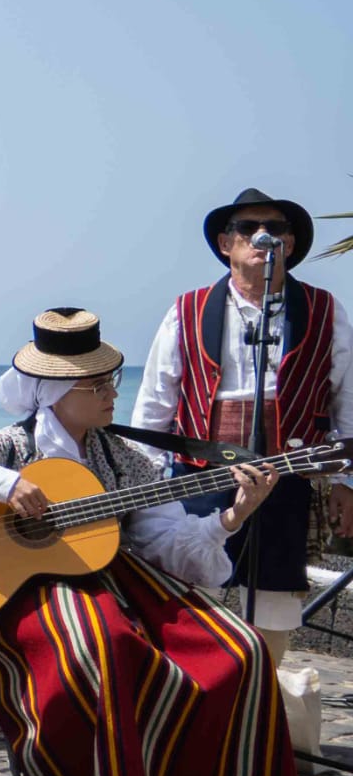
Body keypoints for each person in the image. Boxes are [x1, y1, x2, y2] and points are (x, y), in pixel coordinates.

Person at [0, 308, 302, 776]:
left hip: (119, 582)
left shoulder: (128, 460)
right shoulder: (6, 446)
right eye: (96, 383)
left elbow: (167, 545)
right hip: (22, 593)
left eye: (111, 379)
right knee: (100, 643)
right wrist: (2, 486)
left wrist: (235, 516)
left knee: (239, 648)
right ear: (51, 390)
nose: (112, 393)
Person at [131, 189, 353, 668]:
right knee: (194, 591)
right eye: (248, 228)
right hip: (199, 472)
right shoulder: (186, 310)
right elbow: (155, 402)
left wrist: (345, 481)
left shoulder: (324, 309)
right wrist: (143, 485)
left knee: (274, 599)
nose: (262, 236)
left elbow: (347, 401)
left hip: (288, 474)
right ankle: (201, 704)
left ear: (290, 245)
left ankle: (259, 704)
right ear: (224, 243)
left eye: (275, 228)